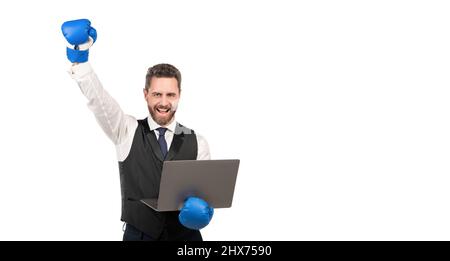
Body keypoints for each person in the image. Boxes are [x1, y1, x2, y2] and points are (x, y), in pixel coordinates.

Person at [61, 19, 214, 241]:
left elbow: (207, 195)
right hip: (139, 236)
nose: (163, 102)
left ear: (179, 95)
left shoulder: (198, 141)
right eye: (157, 94)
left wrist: (204, 212)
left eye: (170, 95)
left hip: (186, 239)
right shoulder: (126, 130)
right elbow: (99, 100)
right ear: (145, 94)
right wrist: (80, 59)